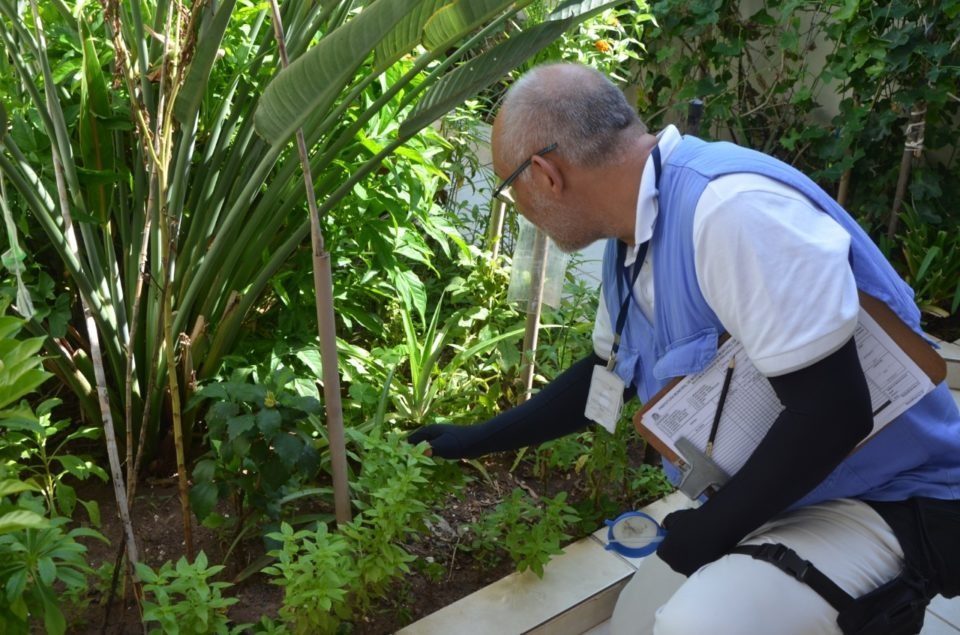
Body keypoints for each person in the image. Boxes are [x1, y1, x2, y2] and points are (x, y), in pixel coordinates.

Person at [408, 62, 960, 634]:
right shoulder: (631, 241)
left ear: (545, 174)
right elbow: (608, 376)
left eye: (509, 188)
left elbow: (833, 414)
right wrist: (475, 440)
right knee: (634, 624)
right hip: (794, 490)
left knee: (696, 623)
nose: (516, 207)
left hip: (894, 496)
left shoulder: (729, 210)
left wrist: (707, 534)